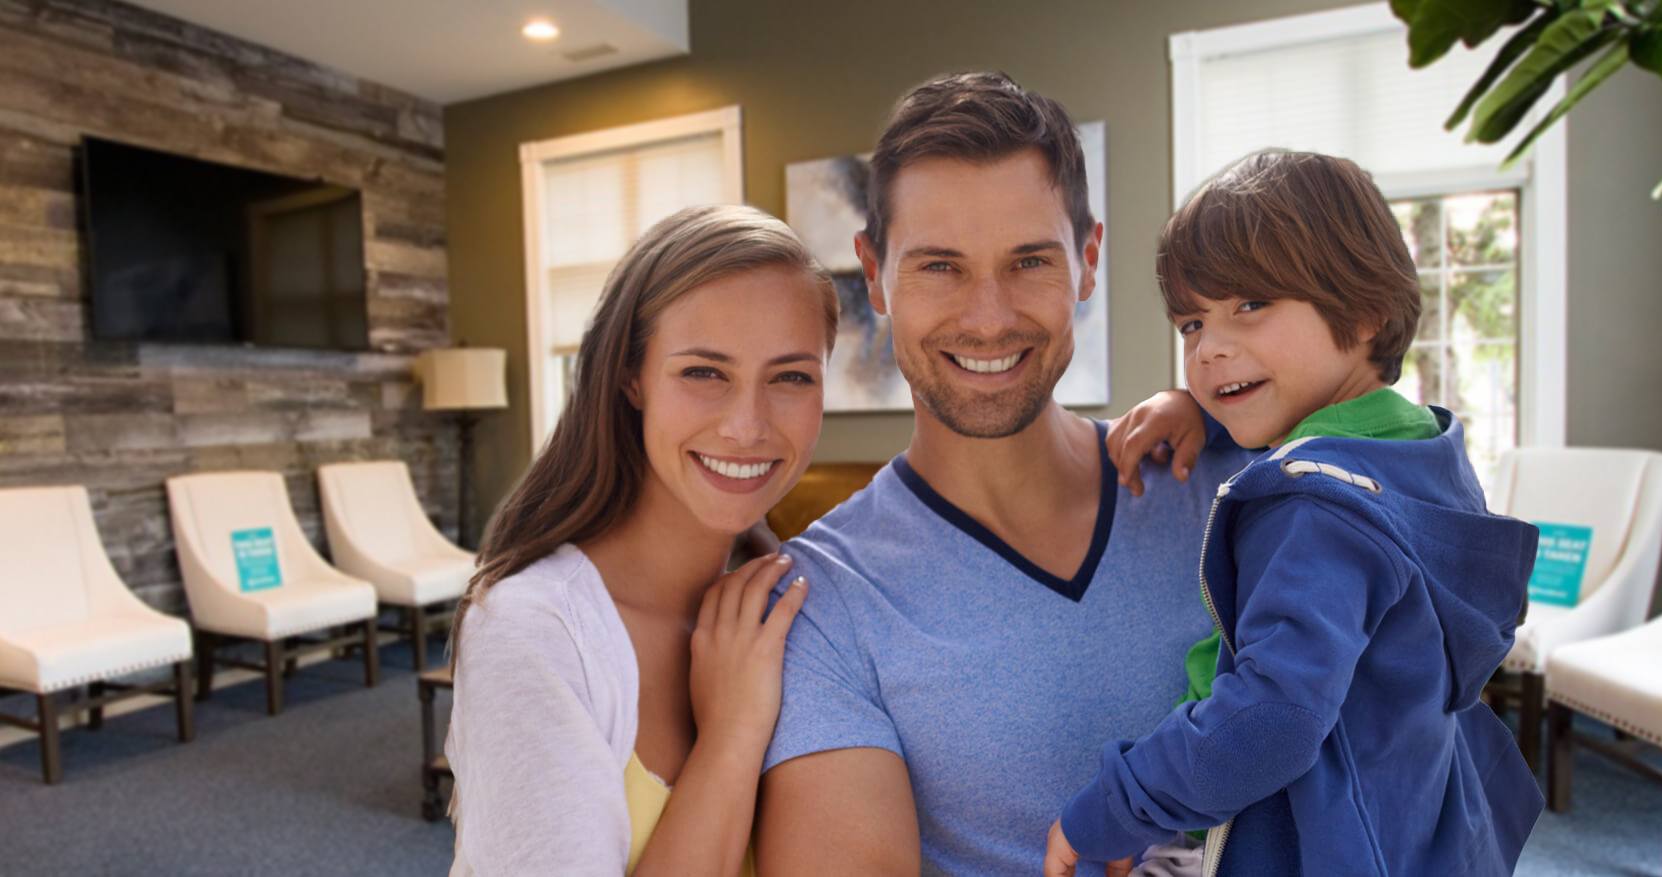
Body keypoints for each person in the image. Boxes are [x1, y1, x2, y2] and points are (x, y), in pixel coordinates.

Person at [752, 71, 1250, 876]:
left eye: (1028, 261)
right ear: (874, 274)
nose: (988, 316)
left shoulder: (1229, 486)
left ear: (1088, 262)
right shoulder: (822, 601)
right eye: (940, 267)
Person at [1042, 150, 1545, 876]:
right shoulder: (1422, 444)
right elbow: (1335, 431)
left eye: (1251, 305)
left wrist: (1116, 808)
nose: (1212, 348)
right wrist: (1204, 416)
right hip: (1422, 814)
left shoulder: (1312, 510)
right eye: (1191, 323)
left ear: (1367, 309)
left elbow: (1272, 716)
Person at [445, 204, 840, 875]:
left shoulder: (799, 600)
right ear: (632, 376)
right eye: (704, 372)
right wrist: (733, 730)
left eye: (791, 376)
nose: (747, 426)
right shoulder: (533, 632)